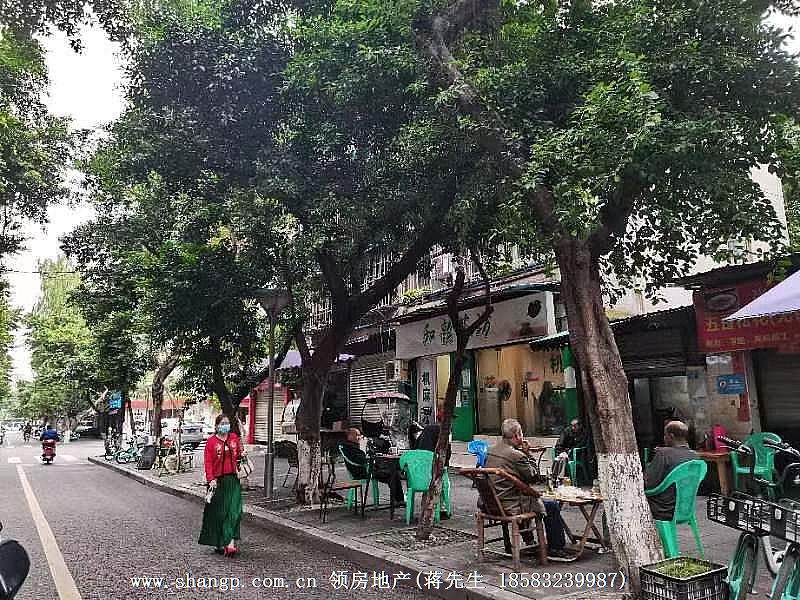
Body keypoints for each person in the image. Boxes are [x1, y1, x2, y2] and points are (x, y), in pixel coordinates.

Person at [486, 418, 575, 562]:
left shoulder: (490, 450)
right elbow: (534, 476)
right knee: (551, 505)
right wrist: (527, 453)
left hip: (492, 502)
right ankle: (556, 547)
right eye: (521, 434)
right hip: (511, 504)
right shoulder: (516, 455)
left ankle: (529, 541)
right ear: (517, 435)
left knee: (526, 495)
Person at [199, 414, 245, 556]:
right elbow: (208, 462)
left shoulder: (234, 438)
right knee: (219, 513)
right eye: (223, 423)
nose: (226, 426)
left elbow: (238, 454)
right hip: (217, 482)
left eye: (227, 423)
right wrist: (211, 479)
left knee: (235, 511)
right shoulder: (211, 442)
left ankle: (230, 543)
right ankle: (219, 543)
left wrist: (242, 455)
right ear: (217, 426)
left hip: (233, 480)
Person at [645, 420, 697, 521]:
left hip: (663, 509)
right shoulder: (694, 456)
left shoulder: (663, 454)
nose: (664, 438)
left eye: (665, 435)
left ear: (671, 436)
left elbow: (649, 484)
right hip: (685, 508)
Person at [340, 428, 405, 506]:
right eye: (357, 435)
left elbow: (362, 458)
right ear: (349, 436)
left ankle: (397, 499)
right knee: (393, 474)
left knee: (390, 473)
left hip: (364, 470)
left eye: (359, 435)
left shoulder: (348, 446)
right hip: (364, 472)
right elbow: (361, 460)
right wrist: (369, 457)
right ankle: (399, 500)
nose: (360, 437)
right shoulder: (350, 447)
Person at [551, 418, 589, 484]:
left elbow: (581, 444)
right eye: (572, 426)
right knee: (559, 459)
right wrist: (563, 452)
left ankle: (558, 479)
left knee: (562, 459)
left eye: (575, 426)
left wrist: (571, 450)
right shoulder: (567, 431)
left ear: (580, 426)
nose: (573, 428)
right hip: (564, 452)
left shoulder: (583, 433)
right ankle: (556, 479)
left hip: (576, 454)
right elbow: (559, 444)